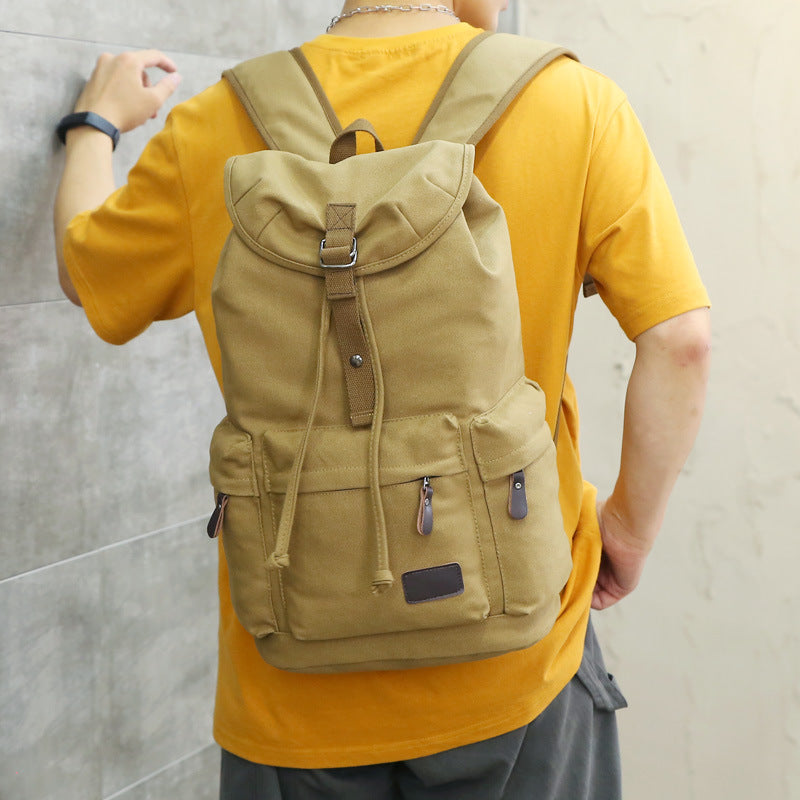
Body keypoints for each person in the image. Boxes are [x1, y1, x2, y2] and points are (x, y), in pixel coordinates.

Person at [53, 1, 711, 797]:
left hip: (294, 690)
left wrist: (94, 123)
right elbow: (680, 339)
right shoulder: (571, 101)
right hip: (517, 667)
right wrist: (627, 532)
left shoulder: (213, 124)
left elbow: (87, 274)